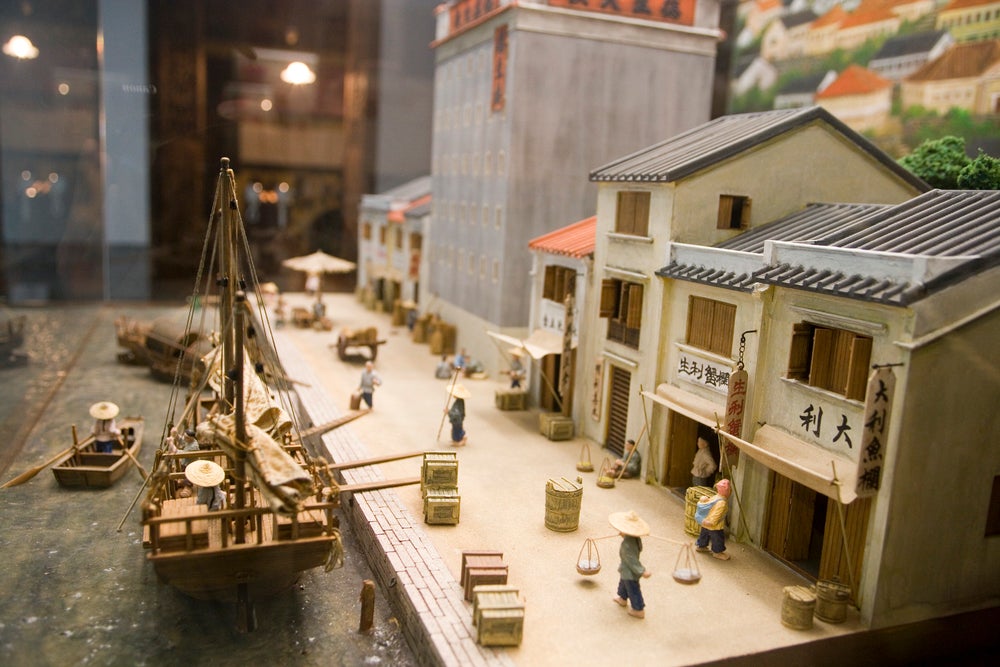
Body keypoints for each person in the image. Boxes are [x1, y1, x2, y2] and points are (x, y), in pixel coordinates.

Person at [609, 510, 652, 619]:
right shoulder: (635, 539)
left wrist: (642, 571)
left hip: (630, 571)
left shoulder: (627, 545)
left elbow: (632, 561)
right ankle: (622, 598)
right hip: (625, 570)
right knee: (623, 584)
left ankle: (638, 609)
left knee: (633, 588)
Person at [695, 478, 732, 560]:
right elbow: (717, 514)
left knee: (704, 535)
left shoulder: (715, 497)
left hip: (705, 521)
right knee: (717, 538)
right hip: (714, 525)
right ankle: (717, 552)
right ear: (727, 491)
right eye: (729, 489)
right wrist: (712, 522)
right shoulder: (722, 502)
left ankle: (701, 546)